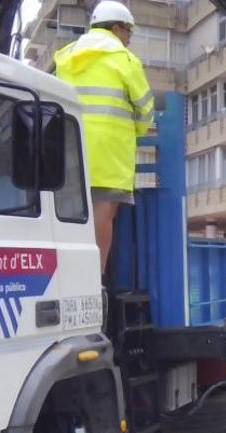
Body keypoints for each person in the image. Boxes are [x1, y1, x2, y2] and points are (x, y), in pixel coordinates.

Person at [55, 0, 154, 273]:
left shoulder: (66, 57)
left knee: (71, 216)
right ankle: (94, 279)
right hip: (110, 153)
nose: (130, 38)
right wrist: (138, 130)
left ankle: (67, 273)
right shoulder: (125, 60)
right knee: (104, 212)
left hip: (69, 149)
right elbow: (145, 109)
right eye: (129, 32)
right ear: (117, 28)